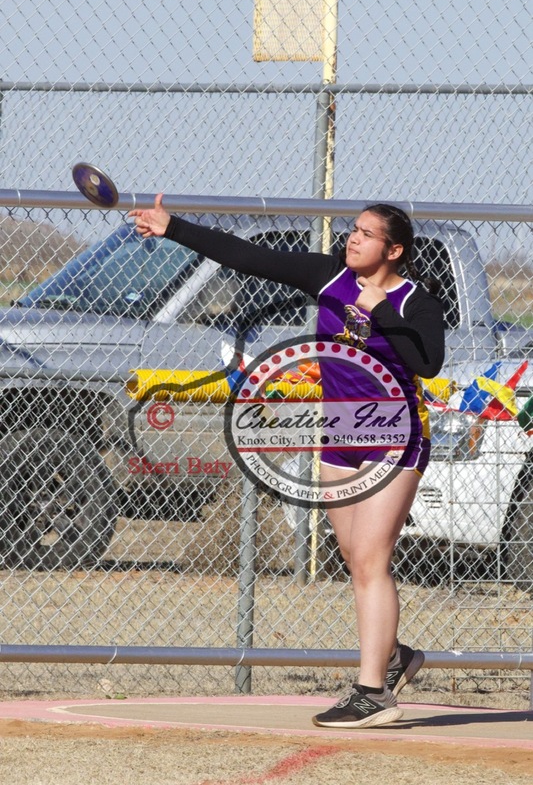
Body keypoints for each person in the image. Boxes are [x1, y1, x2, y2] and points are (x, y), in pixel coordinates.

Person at [129, 195, 445, 729]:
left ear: (394, 250)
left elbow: (428, 362)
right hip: (339, 433)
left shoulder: (417, 301)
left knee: (371, 561)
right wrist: (173, 227)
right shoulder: (329, 276)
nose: (353, 238)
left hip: (394, 435)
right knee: (354, 558)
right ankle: (395, 658)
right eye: (353, 229)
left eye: (367, 234)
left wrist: (379, 311)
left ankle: (374, 695)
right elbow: (248, 257)